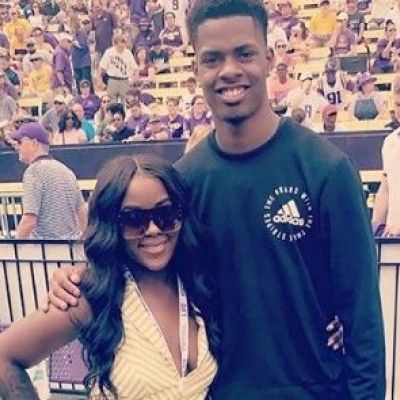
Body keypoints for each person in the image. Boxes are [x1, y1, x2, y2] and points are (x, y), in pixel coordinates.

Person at [46, 0, 385, 399]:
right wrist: (76, 279)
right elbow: (141, 268)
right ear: (196, 68)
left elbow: (362, 319)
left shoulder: (326, 169)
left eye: (244, 53)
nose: (229, 70)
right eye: (212, 58)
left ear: (269, 58)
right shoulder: (183, 183)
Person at [0, 153, 221, 399]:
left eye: (165, 214)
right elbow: (4, 356)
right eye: (134, 219)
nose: (153, 229)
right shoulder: (93, 295)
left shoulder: (196, 283)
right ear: (111, 224)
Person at [9, 122, 87, 240]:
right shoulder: (66, 171)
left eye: (20, 142)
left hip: (45, 247)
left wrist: (15, 248)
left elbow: (29, 220)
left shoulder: (34, 171)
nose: (16, 147)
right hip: (70, 247)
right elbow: (82, 213)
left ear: (34, 143)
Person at [372, 81, 400, 236]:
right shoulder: (390, 142)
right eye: (398, 104)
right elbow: (385, 189)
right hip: (392, 236)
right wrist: (374, 228)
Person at [99, 34, 137, 103]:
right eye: (120, 46)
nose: (122, 47)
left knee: (125, 102)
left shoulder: (128, 53)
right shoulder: (109, 52)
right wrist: (101, 81)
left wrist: (133, 79)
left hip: (124, 80)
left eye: (123, 45)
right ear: (115, 44)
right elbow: (101, 67)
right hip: (112, 80)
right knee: (112, 103)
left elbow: (135, 68)